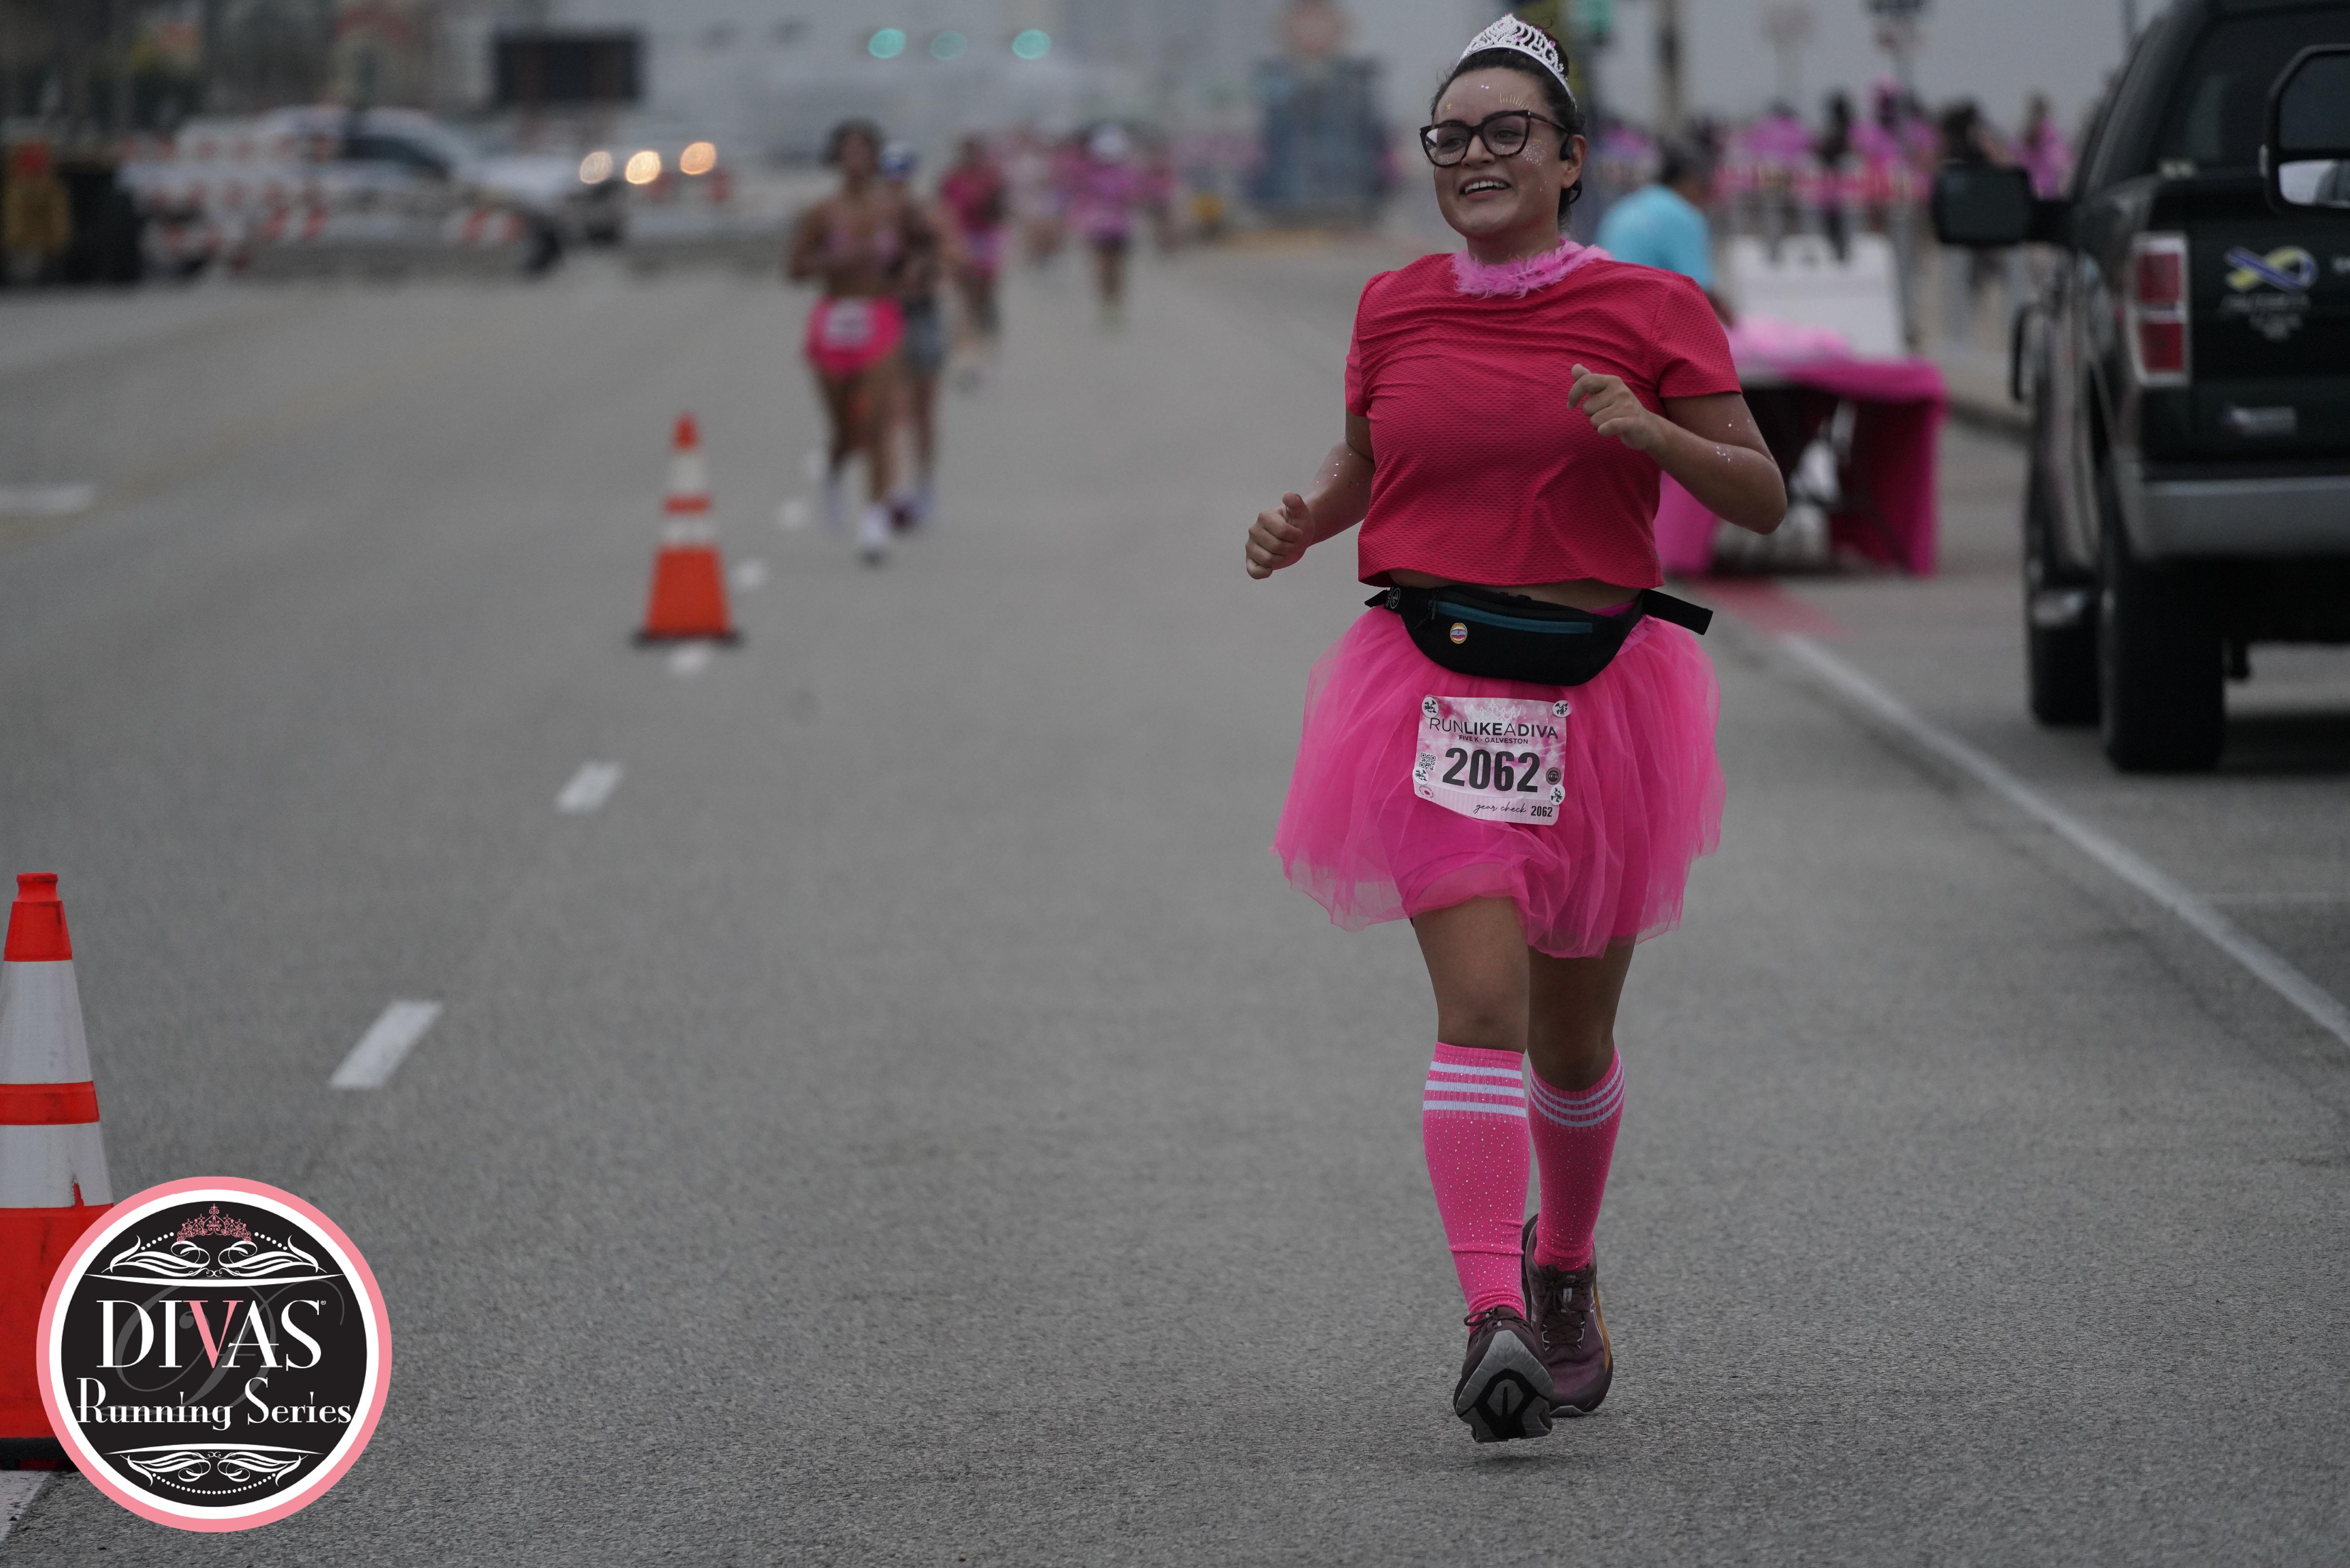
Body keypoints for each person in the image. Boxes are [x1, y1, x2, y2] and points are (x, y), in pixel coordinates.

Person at [1244, 16, 1784, 1444]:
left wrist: (1651, 434)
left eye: (1506, 134)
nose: (1474, 157)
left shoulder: (1653, 308)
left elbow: (1761, 494)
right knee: (1478, 1006)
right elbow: (1367, 460)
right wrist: (1307, 519)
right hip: (1432, 685)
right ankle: (1491, 1313)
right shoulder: (1394, 307)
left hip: (1600, 696)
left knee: (1571, 1038)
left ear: (1569, 159)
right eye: (1451, 137)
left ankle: (1564, 1268)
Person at [786, 120, 933, 565]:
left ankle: (875, 519)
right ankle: (834, 474)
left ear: (874, 158)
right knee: (846, 431)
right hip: (835, 317)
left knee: (880, 424)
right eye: (847, 152)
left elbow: (925, 249)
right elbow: (794, 269)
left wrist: (915, 275)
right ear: (835, 158)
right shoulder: (822, 212)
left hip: (880, 317)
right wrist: (840, 260)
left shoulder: (895, 210)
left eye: (863, 152)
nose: (855, 161)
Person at [878, 141, 956, 529]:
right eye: (889, 172)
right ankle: (892, 491)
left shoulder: (929, 212)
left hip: (922, 314)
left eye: (902, 172)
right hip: (883, 316)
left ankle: (923, 484)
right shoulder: (869, 215)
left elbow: (952, 256)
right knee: (891, 410)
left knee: (923, 410)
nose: (896, 180)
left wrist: (929, 265)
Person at [1593, 139, 1733, 321]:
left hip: (1604, 311)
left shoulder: (1627, 205)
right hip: (1641, 319)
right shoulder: (1683, 215)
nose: (1707, 196)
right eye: (1705, 186)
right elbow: (1701, 290)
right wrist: (1736, 326)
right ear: (1689, 180)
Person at [938, 135, 1009, 383]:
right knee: (965, 299)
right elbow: (942, 211)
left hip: (987, 238)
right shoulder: (952, 179)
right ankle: (967, 355)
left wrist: (988, 201)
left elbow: (1001, 211)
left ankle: (988, 349)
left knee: (985, 297)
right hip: (962, 238)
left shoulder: (991, 178)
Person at [1064, 124, 1144, 326]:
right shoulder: (1089, 174)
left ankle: (1114, 302)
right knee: (1103, 267)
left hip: (1120, 227)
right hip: (1098, 227)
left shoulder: (1126, 173)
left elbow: (1134, 197)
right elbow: (1081, 199)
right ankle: (1107, 302)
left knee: (1116, 267)